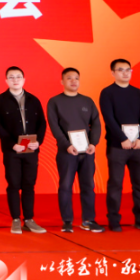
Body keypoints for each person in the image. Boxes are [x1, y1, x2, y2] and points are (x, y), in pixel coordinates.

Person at [100, 59, 140, 232]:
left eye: (128, 70)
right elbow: (109, 119)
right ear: (113, 73)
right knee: (115, 184)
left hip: (138, 146)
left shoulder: (138, 93)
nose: (125, 73)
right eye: (120, 70)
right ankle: (114, 220)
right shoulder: (107, 93)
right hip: (118, 146)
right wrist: (122, 138)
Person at [48, 67, 105, 233]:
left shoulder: (87, 101)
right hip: (67, 151)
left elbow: (96, 123)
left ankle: (88, 220)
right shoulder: (55, 101)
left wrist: (93, 143)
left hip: (87, 151)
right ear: (62, 81)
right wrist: (66, 145)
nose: (73, 81)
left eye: (76, 78)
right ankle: (67, 221)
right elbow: (54, 126)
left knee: (88, 185)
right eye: (69, 78)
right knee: (66, 185)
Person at [0, 66, 48, 234]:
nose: (15, 80)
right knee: (14, 184)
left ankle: (29, 219)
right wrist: (11, 144)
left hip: (31, 149)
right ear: (6, 80)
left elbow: (42, 123)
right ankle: (15, 219)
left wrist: (38, 142)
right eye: (11, 77)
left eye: (18, 77)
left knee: (29, 184)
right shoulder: (0, 100)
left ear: (24, 80)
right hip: (12, 150)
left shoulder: (33, 99)